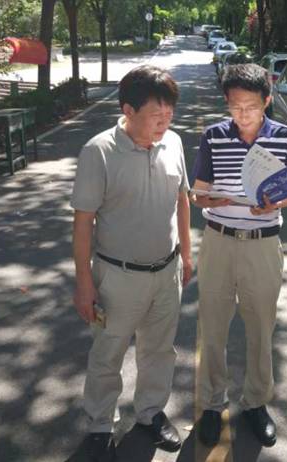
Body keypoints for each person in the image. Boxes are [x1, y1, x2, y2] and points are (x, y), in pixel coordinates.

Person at [71, 65, 191, 461]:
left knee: (159, 350)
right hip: (117, 277)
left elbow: (182, 199)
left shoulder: (173, 142)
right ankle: (100, 425)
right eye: (157, 114)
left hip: (167, 271)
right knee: (108, 354)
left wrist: (187, 254)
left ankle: (150, 413)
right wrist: (84, 282)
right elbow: (84, 221)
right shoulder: (99, 152)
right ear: (128, 110)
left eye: (169, 113)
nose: (165, 122)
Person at [190, 63, 287, 448]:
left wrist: (277, 202)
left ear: (267, 101)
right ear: (226, 102)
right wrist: (209, 199)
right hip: (219, 241)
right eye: (236, 106)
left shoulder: (285, 138)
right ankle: (212, 404)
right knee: (213, 327)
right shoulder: (213, 137)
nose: (243, 114)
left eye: (252, 107)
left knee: (261, 327)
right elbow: (197, 192)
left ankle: (256, 402)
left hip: (263, 243)